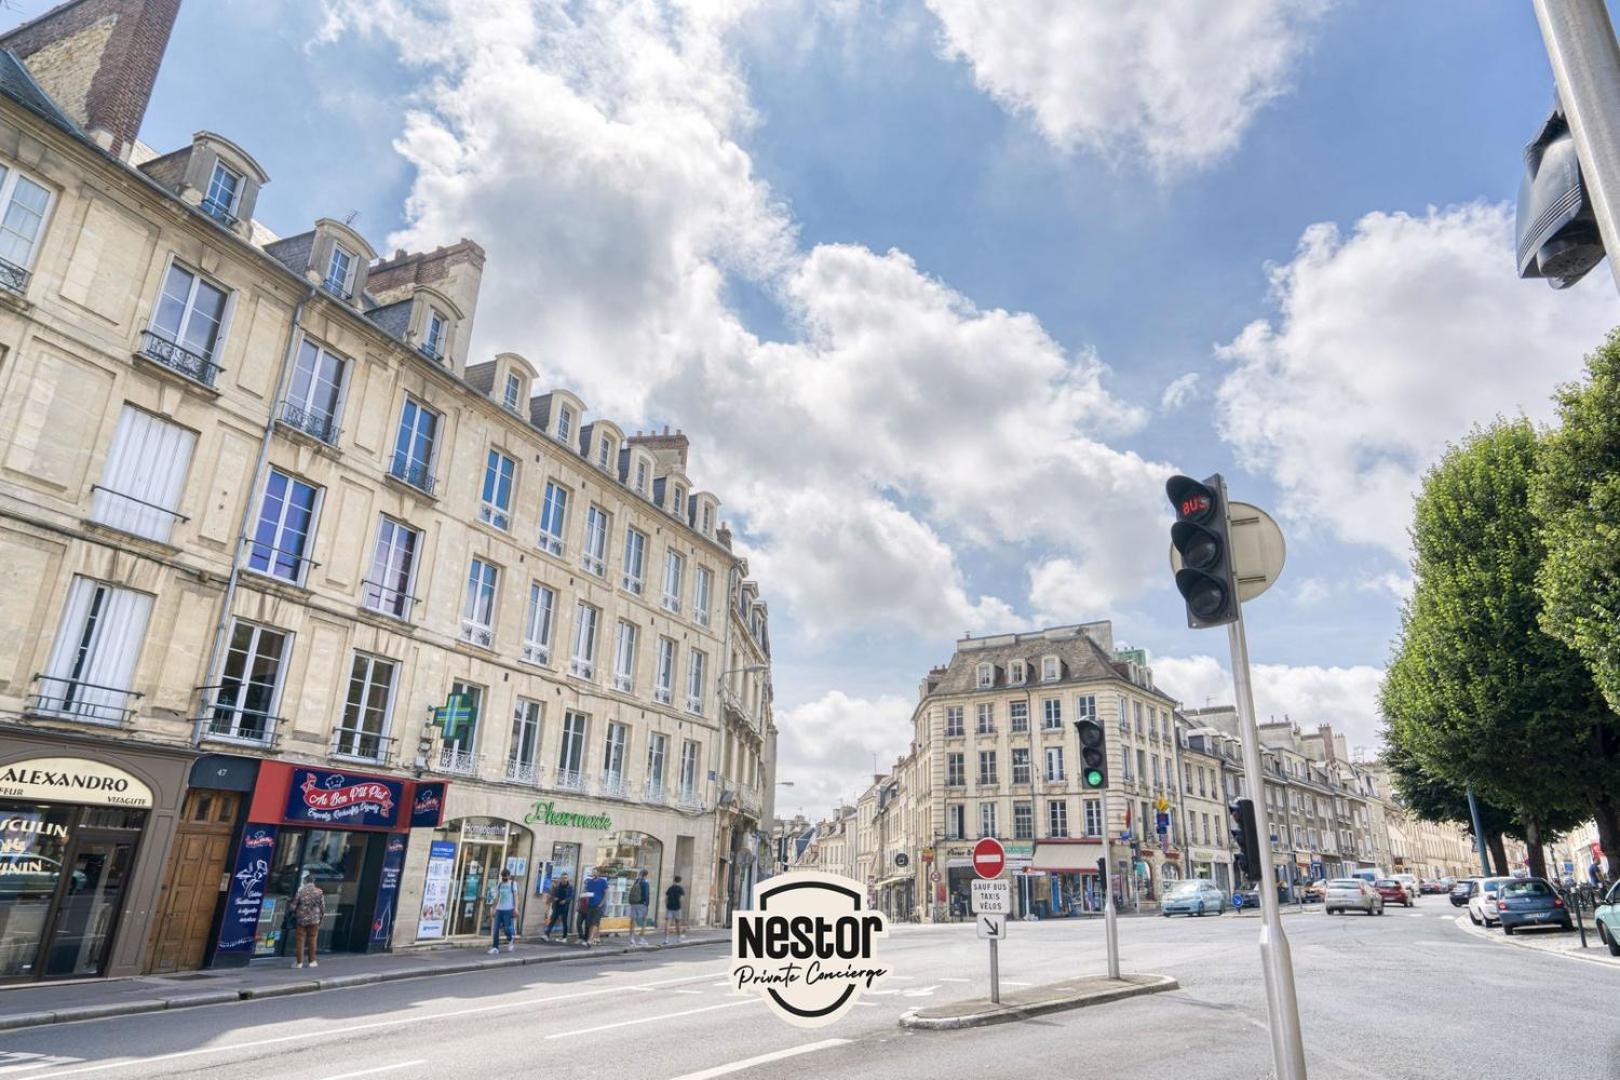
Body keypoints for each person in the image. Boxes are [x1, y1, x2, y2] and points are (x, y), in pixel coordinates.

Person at [291, 873, 325, 969]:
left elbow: (293, 906)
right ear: (313, 882)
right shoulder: (319, 892)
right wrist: (321, 918)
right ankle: (312, 961)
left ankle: (299, 963)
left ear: (305, 881)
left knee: (300, 940)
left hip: (301, 919)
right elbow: (322, 907)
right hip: (314, 920)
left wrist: (294, 910)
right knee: (312, 939)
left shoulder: (300, 891)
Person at [488, 869, 518, 954]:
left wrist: (516, 908)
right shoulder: (500, 884)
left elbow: (516, 897)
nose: (504, 878)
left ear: (509, 876)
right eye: (503, 877)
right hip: (499, 909)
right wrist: (493, 908)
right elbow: (497, 897)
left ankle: (510, 939)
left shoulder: (513, 884)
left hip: (508, 909)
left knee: (507, 928)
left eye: (505, 877)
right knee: (496, 928)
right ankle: (495, 947)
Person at [579, 870, 609, 947]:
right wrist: (584, 895)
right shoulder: (589, 882)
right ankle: (590, 939)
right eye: (593, 872)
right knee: (589, 923)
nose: (593, 873)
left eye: (595, 872)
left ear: (598, 873)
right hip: (590, 905)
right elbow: (586, 892)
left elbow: (606, 893)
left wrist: (601, 903)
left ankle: (590, 939)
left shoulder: (603, 881)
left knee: (595, 922)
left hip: (598, 905)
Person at [543, 873, 573, 942]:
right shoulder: (557, 886)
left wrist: (565, 901)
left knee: (564, 921)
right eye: (563, 878)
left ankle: (564, 937)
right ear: (560, 879)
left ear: (567, 878)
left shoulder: (570, 887)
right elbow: (553, 894)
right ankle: (546, 935)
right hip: (557, 905)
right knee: (552, 919)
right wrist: (554, 898)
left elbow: (571, 896)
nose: (564, 879)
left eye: (565, 878)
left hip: (565, 906)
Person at [626, 869, 651, 947]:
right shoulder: (645, 883)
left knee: (632, 920)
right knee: (644, 920)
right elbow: (646, 894)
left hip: (634, 903)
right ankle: (641, 939)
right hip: (642, 903)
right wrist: (647, 904)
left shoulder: (636, 881)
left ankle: (631, 939)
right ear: (646, 875)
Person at [663, 874, 685, 943]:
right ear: (680, 881)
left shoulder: (670, 888)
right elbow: (681, 899)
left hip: (669, 907)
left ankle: (666, 939)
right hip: (677, 908)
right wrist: (680, 906)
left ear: (674, 880)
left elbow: (666, 899)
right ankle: (678, 938)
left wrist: (667, 905)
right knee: (678, 923)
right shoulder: (680, 889)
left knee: (668, 923)